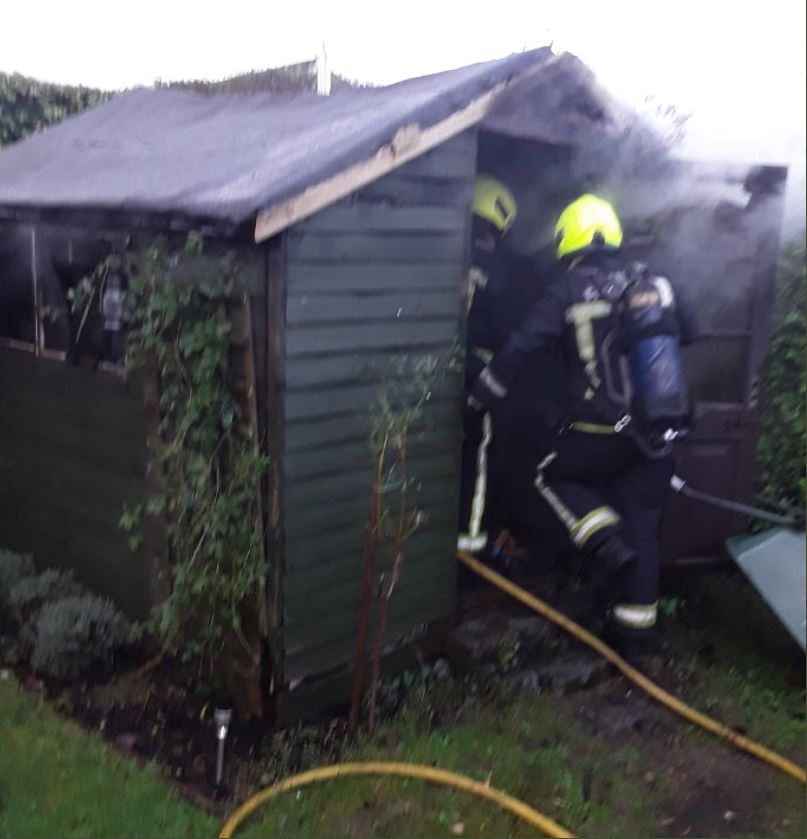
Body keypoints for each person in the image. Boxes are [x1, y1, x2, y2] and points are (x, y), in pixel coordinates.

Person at [468, 193, 698, 659]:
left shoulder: (569, 290)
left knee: (548, 475)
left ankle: (601, 541)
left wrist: (482, 394)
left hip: (599, 436)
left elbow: (523, 346)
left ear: (568, 244)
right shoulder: (655, 282)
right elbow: (691, 331)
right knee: (644, 529)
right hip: (656, 437)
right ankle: (636, 636)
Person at [457, 175, 517, 554]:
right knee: (477, 451)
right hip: (478, 372)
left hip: (442, 364)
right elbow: (505, 329)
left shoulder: (450, 251)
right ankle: (470, 538)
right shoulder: (497, 268)